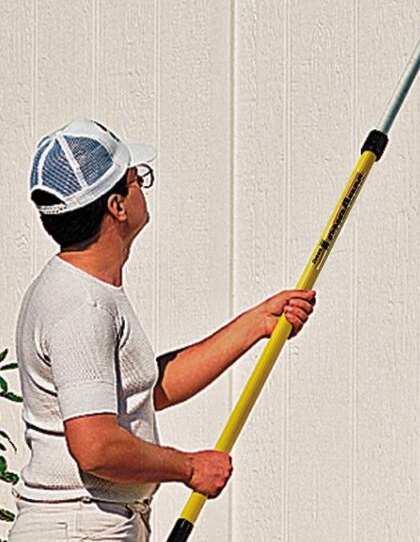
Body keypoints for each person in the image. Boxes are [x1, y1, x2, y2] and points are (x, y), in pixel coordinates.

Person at [9, 117, 316, 541]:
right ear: (116, 206)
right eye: (137, 180)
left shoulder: (83, 291)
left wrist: (256, 324)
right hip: (80, 527)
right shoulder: (81, 305)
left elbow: (142, 391)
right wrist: (189, 468)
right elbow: (96, 446)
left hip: (93, 523)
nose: (142, 189)